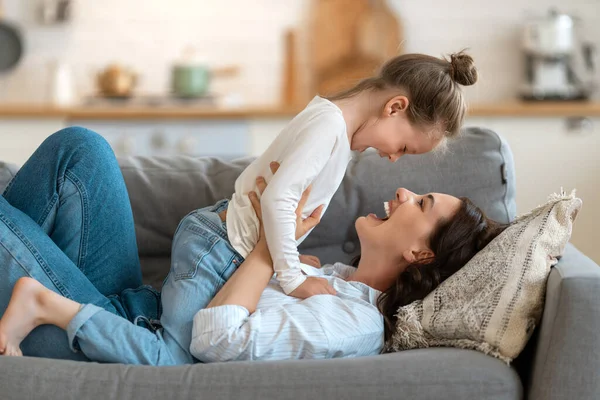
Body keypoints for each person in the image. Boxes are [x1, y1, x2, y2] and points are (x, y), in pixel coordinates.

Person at [0, 127, 504, 364]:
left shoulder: (355, 321)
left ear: (421, 254)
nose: (403, 192)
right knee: (82, 150)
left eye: (421, 204)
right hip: (136, 301)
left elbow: (215, 338)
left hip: (124, 339)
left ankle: (34, 307)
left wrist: (269, 247)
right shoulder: (333, 279)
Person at [225, 51, 478, 299]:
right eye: (402, 148)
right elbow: (277, 199)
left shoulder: (334, 131)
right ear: (395, 108)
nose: (392, 157)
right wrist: (292, 277)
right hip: (221, 246)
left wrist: (286, 253)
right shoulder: (329, 127)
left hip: (237, 248)